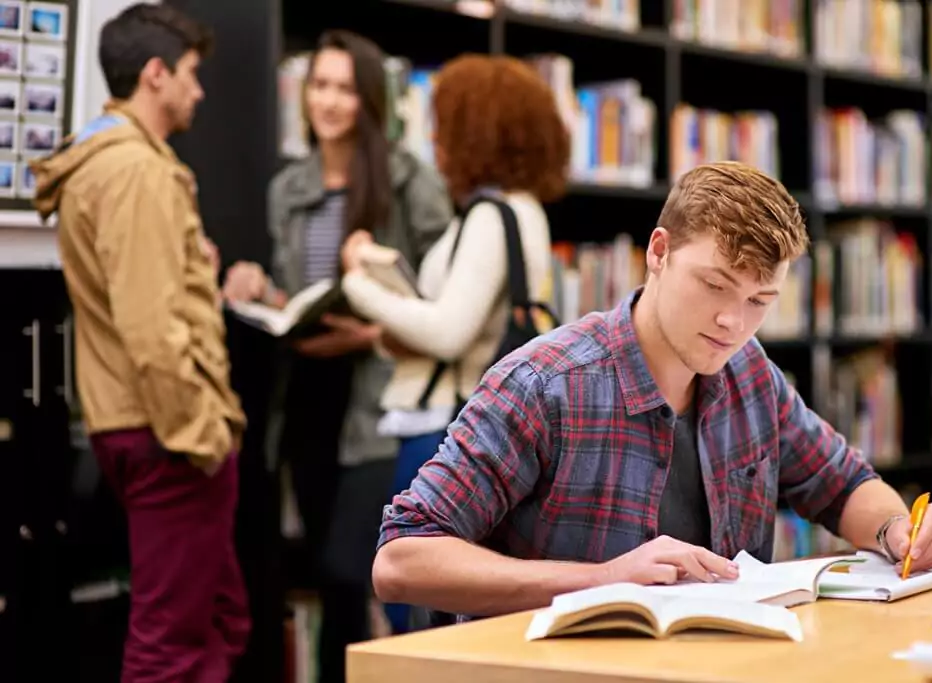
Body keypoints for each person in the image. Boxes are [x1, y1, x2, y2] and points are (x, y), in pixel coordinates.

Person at [370, 161, 932, 620]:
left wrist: (895, 531)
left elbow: (842, 484)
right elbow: (401, 560)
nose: (733, 322)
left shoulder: (749, 374)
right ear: (658, 252)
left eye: (759, 302)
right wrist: (604, 581)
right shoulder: (544, 384)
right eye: (714, 285)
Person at [221, 29, 451, 681]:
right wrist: (259, 290)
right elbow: (301, 290)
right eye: (319, 84)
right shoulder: (288, 186)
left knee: (355, 569)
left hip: (380, 392)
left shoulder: (410, 181)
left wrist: (369, 331)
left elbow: (441, 301)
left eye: (345, 87)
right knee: (323, 566)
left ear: (371, 99)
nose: (328, 100)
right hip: (306, 393)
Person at [30, 4, 250, 682]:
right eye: (190, 74)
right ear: (155, 75)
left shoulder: (108, 163)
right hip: (166, 431)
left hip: (138, 423)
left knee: (216, 617)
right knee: (170, 645)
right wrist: (202, 432)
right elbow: (151, 329)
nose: (199, 90)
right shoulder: (136, 172)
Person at [337, 53, 570, 633]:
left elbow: (449, 330)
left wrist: (357, 284)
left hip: (444, 420)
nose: (434, 141)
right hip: (462, 405)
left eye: (444, 125)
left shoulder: (491, 215)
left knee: (412, 590)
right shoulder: (527, 212)